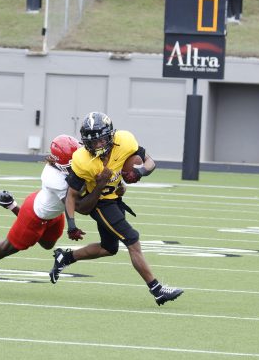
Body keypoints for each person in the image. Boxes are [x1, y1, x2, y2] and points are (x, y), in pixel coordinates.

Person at [49, 111, 182, 306]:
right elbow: (71, 195)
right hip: (100, 204)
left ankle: (66, 257)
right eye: (93, 141)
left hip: (115, 199)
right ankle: (157, 290)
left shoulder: (125, 141)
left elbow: (150, 161)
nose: (98, 145)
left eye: (101, 140)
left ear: (110, 136)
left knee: (108, 248)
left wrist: (140, 172)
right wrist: (71, 225)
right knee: (132, 239)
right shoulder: (82, 160)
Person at [0, 134, 84, 290]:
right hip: (35, 215)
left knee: (47, 245)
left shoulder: (66, 165)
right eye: (72, 162)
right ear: (60, 163)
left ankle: (11, 205)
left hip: (53, 212)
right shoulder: (54, 178)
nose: (78, 165)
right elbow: (76, 205)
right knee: (8, 247)